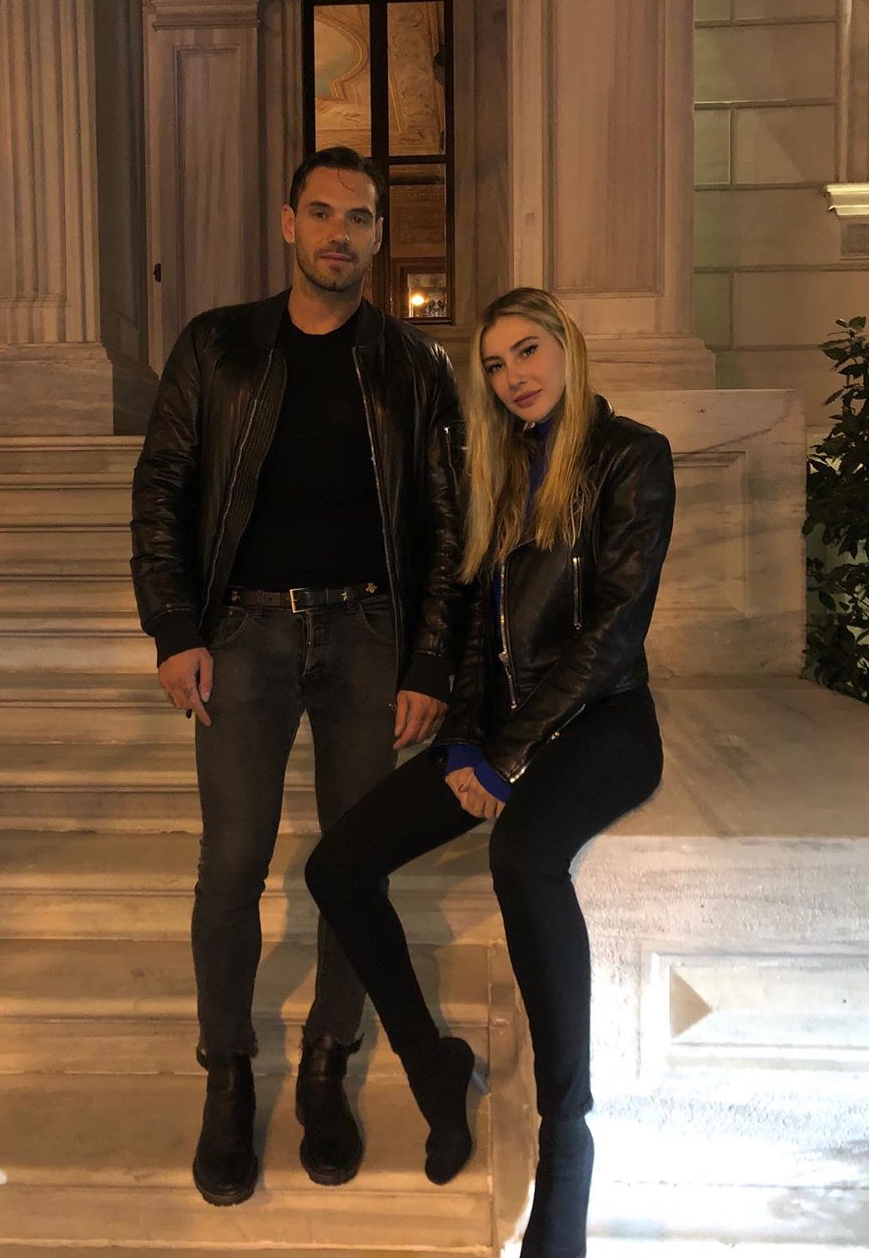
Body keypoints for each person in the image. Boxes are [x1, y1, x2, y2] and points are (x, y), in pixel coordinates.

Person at [306, 287, 675, 1256]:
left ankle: (566, 1134)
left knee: (522, 858)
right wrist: (469, 739)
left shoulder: (634, 456)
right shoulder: (499, 466)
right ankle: (433, 1063)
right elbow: (474, 622)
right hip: (504, 730)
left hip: (603, 724)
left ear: (567, 346)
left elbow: (613, 631)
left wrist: (508, 757)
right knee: (337, 866)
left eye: (527, 352)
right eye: (497, 365)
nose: (514, 377)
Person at [130, 146, 464, 1205]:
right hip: (245, 633)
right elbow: (164, 488)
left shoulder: (415, 366)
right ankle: (228, 1074)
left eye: (358, 218)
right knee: (232, 862)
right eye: (321, 213)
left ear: (377, 235)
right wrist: (174, 627)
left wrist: (428, 658)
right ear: (287, 223)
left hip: (368, 635)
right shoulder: (218, 345)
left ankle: (327, 1061)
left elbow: (446, 526)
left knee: (352, 864)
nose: (338, 234)